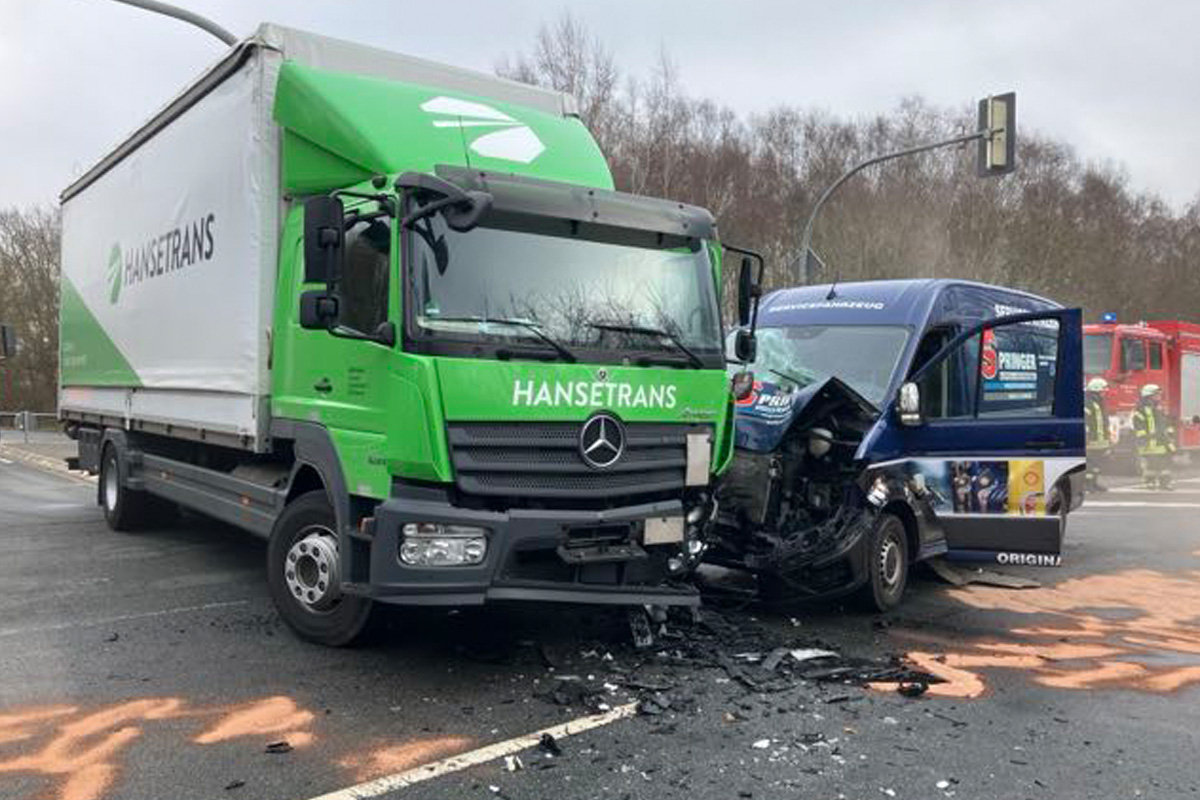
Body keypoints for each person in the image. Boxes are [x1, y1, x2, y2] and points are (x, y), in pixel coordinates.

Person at [1131, 383, 1176, 490]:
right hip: (1150, 442)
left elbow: (1165, 423)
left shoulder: (1159, 408)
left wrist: (1170, 435)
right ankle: (1152, 483)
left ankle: (1163, 483)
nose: (1159, 396)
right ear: (1149, 395)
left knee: (1163, 463)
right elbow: (1138, 425)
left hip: (1161, 441)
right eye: (1157, 394)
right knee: (1153, 464)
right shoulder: (1141, 410)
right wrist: (1145, 438)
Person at [1083, 378, 1110, 492]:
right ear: (1096, 391)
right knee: (1090, 463)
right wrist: (1086, 437)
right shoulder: (1088, 403)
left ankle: (1094, 482)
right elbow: (1086, 421)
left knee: (1097, 463)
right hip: (1091, 440)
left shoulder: (1099, 403)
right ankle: (1088, 484)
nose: (1104, 394)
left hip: (1100, 440)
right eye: (1103, 391)